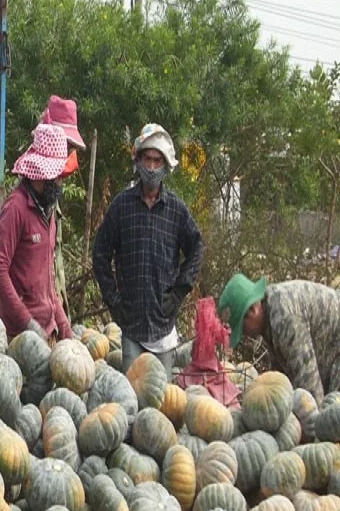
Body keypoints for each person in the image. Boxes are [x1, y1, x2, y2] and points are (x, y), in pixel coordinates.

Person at [92, 123, 203, 377]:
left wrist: (179, 292)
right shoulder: (122, 206)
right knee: (133, 398)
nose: (151, 167)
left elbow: (196, 247)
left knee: (159, 403)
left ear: (166, 165)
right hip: (131, 325)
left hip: (163, 327)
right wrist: (113, 299)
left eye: (157, 161)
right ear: (138, 161)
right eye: (147, 159)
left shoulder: (176, 210)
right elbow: (100, 254)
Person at [0, 123, 73, 342]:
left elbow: (47, 279)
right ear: (39, 173)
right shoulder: (15, 208)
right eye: (56, 175)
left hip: (48, 331)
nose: (60, 180)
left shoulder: (49, 210)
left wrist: (64, 326)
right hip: (19, 336)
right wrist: (28, 323)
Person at [217, 273, 340, 405]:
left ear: (252, 310)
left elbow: (309, 388)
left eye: (242, 328)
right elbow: (283, 376)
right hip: (331, 351)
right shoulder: (269, 312)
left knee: (332, 410)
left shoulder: (285, 318)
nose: (244, 335)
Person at [40, 96, 86, 318]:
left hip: (52, 319)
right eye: (64, 145)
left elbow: (53, 275)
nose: (67, 154)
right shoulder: (24, 203)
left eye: (69, 148)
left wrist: (62, 321)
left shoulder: (52, 197)